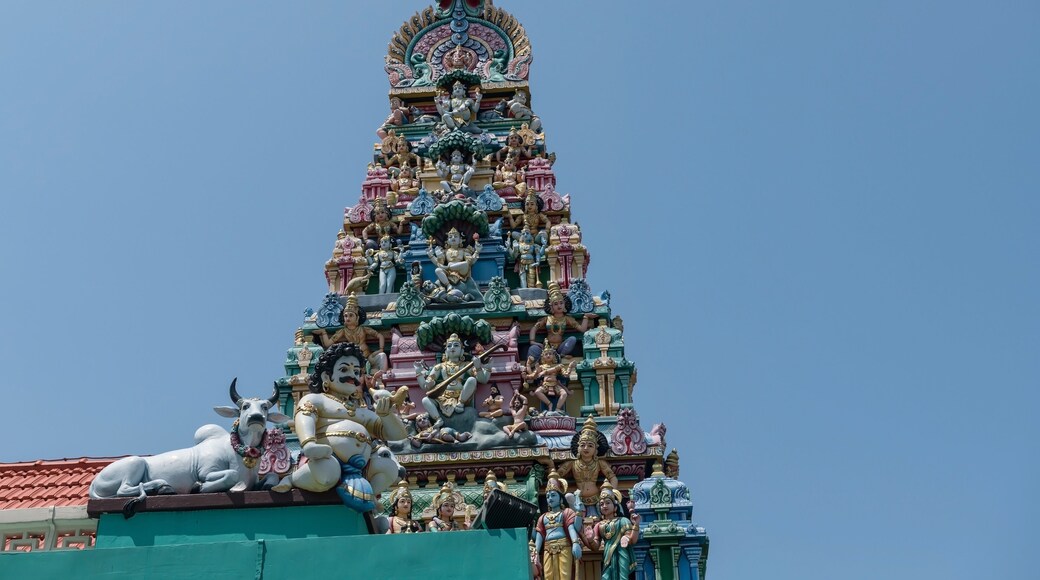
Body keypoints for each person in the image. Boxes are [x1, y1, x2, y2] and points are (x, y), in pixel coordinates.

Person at [282, 342, 408, 511]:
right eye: (344, 370)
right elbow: (305, 417)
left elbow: (398, 435)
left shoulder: (361, 411)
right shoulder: (317, 400)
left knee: (389, 468)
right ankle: (293, 479)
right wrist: (309, 443)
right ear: (326, 377)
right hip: (326, 457)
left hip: (359, 468)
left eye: (356, 372)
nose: (352, 376)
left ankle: (367, 494)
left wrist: (386, 415)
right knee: (329, 473)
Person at [414, 333, 491, 428]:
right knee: (425, 400)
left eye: (456, 345)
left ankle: (460, 404)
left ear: (462, 351)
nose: (452, 348)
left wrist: (479, 367)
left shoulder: (467, 365)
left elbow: (483, 380)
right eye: (449, 346)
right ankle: (438, 419)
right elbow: (425, 386)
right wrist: (418, 372)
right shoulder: (439, 367)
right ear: (446, 351)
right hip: (443, 397)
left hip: (461, 396)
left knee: (472, 380)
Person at [556, 417, 618, 515]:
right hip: (578, 500)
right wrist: (559, 492)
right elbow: (556, 476)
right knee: (569, 498)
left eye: (590, 445)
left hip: (598, 500)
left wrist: (610, 494)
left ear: (596, 449)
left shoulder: (599, 463)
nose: (586, 448)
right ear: (578, 447)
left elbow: (613, 478)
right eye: (582, 445)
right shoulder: (572, 463)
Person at [312, 293, 387, 372]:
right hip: (353, 360)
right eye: (346, 316)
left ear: (357, 317)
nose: (348, 318)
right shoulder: (343, 331)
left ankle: (383, 374)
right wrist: (323, 332)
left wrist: (381, 349)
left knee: (382, 356)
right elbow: (327, 344)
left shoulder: (363, 329)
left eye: (351, 315)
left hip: (368, 357)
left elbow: (380, 336)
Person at [527, 282, 596, 363]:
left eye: (561, 303)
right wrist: (532, 341)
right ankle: (530, 364)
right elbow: (534, 328)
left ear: (564, 304)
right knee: (533, 348)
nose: (559, 306)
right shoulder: (547, 318)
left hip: (560, 347)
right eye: (555, 304)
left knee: (572, 339)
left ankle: (561, 355)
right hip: (546, 347)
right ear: (551, 306)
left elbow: (582, 329)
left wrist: (586, 317)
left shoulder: (567, 319)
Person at [533, 471, 582, 580]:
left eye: (553, 495)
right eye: (547, 496)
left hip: (564, 547)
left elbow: (572, 528)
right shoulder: (543, 517)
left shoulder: (566, 512)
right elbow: (539, 537)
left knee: (564, 575)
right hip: (547, 549)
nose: (550, 498)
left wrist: (575, 543)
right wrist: (535, 553)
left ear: (560, 498)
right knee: (548, 576)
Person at [587, 483, 640, 580]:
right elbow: (595, 547)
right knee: (605, 577)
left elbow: (633, 540)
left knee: (623, 577)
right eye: (601, 504)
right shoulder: (599, 525)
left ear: (615, 507)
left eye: (608, 503)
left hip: (622, 553)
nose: (604, 506)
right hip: (608, 557)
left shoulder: (623, 520)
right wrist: (590, 539)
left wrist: (635, 526)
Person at [525, 345, 576, 414]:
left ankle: (558, 408)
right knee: (537, 392)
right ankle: (549, 404)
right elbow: (533, 376)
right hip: (545, 385)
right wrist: (528, 367)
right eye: (546, 354)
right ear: (543, 357)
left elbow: (566, 374)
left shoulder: (558, 366)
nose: (548, 355)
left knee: (564, 394)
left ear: (553, 356)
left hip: (555, 385)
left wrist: (570, 367)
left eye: (550, 354)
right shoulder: (541, 367)